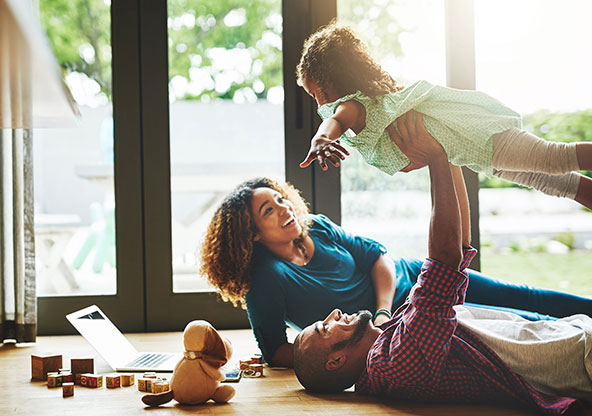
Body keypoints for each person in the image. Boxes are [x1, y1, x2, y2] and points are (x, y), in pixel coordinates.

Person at [199, 114, 592, 370]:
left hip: (416, 280)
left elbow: (377, 258)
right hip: (406, 329)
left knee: (525, 297)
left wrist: (383, 313)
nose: (285, 208)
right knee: (521, 326)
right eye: (269, 211)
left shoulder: (314, 226)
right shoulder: (266, 280)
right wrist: (359, 350)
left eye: (281, 198)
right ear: (251, 233)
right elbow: (277, 351)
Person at [293, 117, 591, 413]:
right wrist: (434, 157)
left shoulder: (393, 336)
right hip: (579, 359)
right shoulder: (392, 363)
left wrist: (449, 156)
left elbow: (458, 251)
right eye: (323, 328)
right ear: (335, 361)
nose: (332, 315)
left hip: (571, 335)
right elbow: (445, 261)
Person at [296, 21, 592, 210]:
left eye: (314, 93)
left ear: (330, 79)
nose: (317, 103)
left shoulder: (353, 107)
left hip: (480, 137)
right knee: (557, 183)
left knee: (556, 157)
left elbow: (333, 122)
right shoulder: (376, 105)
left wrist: (321, 140)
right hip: (477, 153)